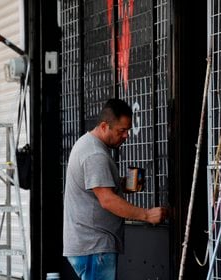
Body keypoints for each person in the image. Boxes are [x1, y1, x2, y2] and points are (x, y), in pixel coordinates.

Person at [63, 98, 168, 280]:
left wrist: (121, 184)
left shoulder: (87, 144)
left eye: (128, 130)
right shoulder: (95, 154)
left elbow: (98, 189)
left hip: (90, 245)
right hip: (95, 246)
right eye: (122, 131)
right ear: (104, 126)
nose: (126, 135)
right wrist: (147, 215)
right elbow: (107, 200)